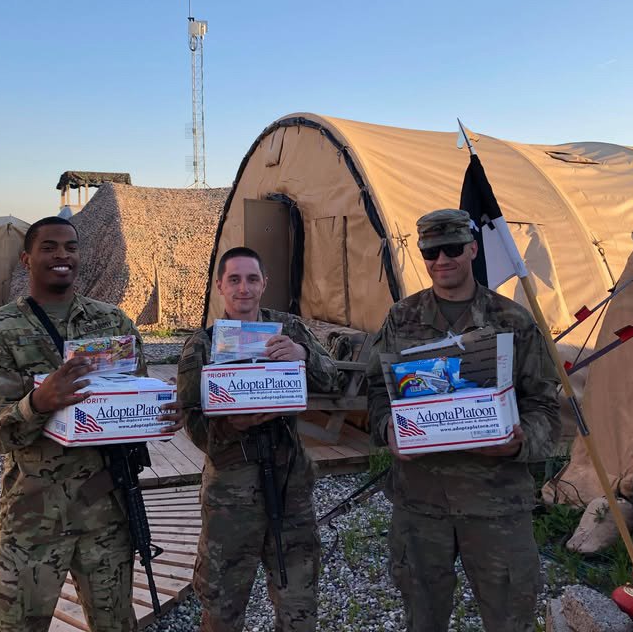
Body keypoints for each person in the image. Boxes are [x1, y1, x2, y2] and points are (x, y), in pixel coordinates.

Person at [0, 216, 182, 632]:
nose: (62, 255)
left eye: (71, 247)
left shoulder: (113, 323)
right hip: (34, 515)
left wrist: (162, 415)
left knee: (115, 623)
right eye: (49, 247)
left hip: (107, 511)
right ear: (27, 259)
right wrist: (38, 403)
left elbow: (137, 395)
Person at [366, 209, 562, 632]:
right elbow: (377, 392)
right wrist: (388, 431)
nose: (442, 260)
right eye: (431, 252)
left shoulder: (513, 322)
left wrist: (520, 440)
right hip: (421, 504)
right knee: (422, 616)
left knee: (510, 617)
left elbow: (545, 403)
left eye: (452, 248)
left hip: (495, 503)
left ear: (472, 249)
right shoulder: (401, 318)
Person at [176, 246, 340, 632]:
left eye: (252, 279)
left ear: (264, 284)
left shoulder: (289, 331)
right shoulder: (201, 345)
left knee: (299, 603)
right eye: (234, 279)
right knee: (222, 607)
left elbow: (332, 378)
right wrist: (235, 424)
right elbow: (191, 419)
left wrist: (302, 355)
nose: (243, 288)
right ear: (220, 286)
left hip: (290, 489)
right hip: (230, 500)